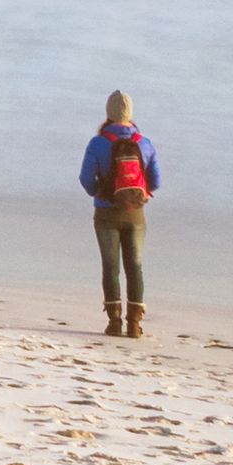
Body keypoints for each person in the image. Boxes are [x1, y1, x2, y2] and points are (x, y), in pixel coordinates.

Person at [79, 90, 158, 337]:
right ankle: (134, 325)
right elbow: (156, 181)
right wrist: (138, 197)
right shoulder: (144, 144)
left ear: (108, 113)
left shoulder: (97, 143)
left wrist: (99, 193)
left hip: (105, 213)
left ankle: (114, 323)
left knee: (110, 266)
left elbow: (85, 178)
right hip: (135, 214)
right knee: (135, 266)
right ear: (130, 114)